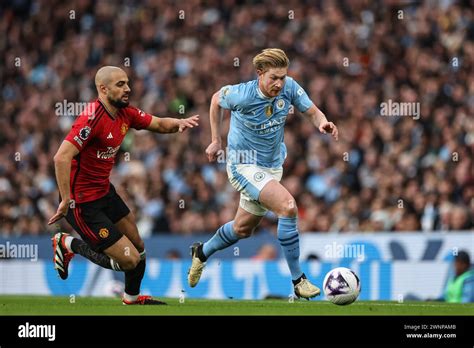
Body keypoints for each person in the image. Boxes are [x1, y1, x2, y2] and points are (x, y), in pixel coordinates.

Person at [188, 48, 338, 299]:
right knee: (288, 206)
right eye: (273, 78)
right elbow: (215, 100)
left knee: (242, 229)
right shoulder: (242, 94)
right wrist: (216, 140)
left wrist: (322, 122)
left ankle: (201, 252)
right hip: (243, 165)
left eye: (282, 77)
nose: (279, 83)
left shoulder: (289, 87)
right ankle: (299, 282)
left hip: (271, 166)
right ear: (259, 74)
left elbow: (312, 111)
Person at [48, 66, 199, 305]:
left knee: (138, 245)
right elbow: (61, 157)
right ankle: (68, 244)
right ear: (103, 88)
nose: (127, 88)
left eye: (127, 83)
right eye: (120, 84)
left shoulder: (125, 113)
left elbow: (158, 124)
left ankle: (131, 297)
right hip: (83, 203)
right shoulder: (91, 118)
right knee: (129, 260)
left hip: (104, 192)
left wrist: (179, 122)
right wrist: (66, 199)